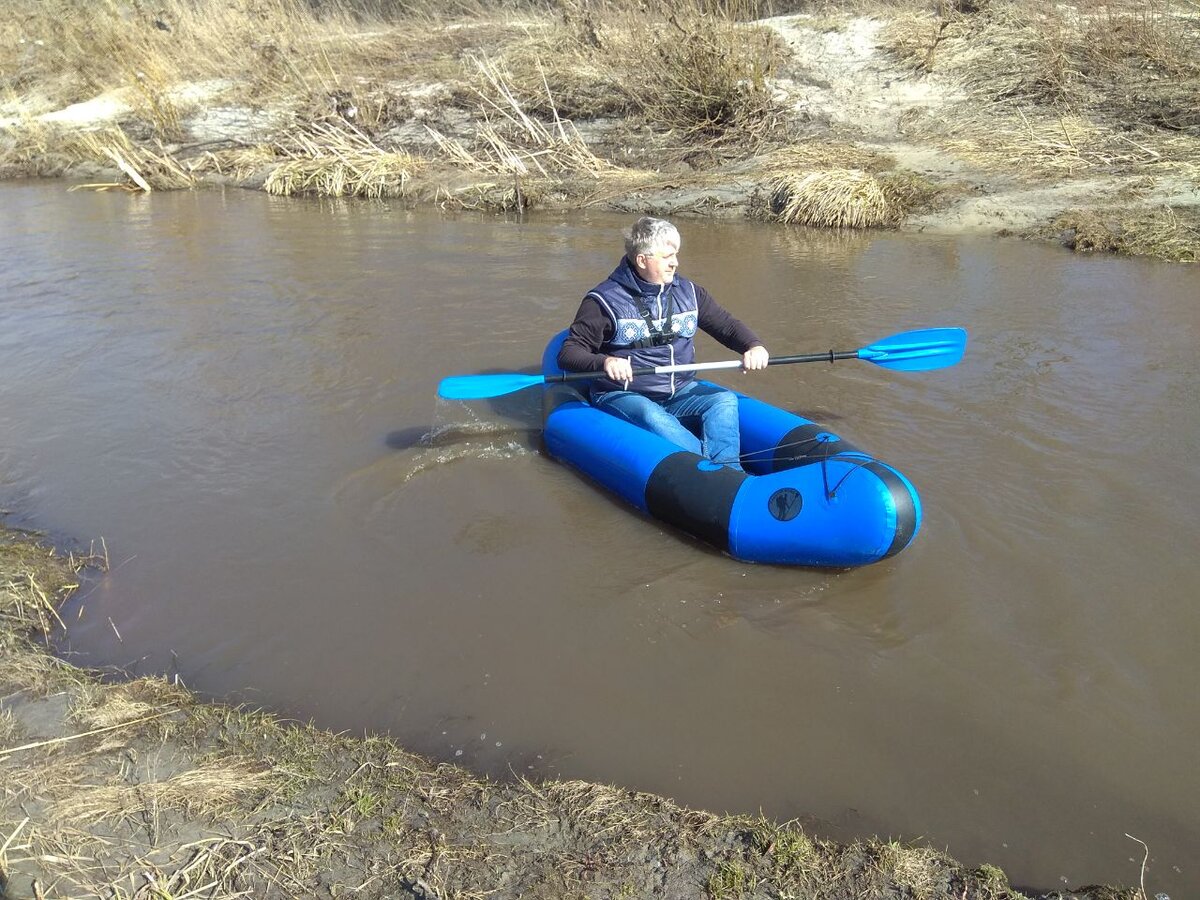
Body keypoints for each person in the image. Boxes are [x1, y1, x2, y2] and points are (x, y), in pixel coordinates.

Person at [557, 216, 769, 471]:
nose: (675, 263)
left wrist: (752, 345)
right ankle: (711, 473)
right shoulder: (603, 300)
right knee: (653, 417)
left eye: (676, 254)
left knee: (723, 400)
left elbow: (726, 325)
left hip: (680, 390)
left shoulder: (689, 292)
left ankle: (728, 470)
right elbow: (569, 353)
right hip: (623, 393)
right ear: (642, 260)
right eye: (667, 256)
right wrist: (606, 361)